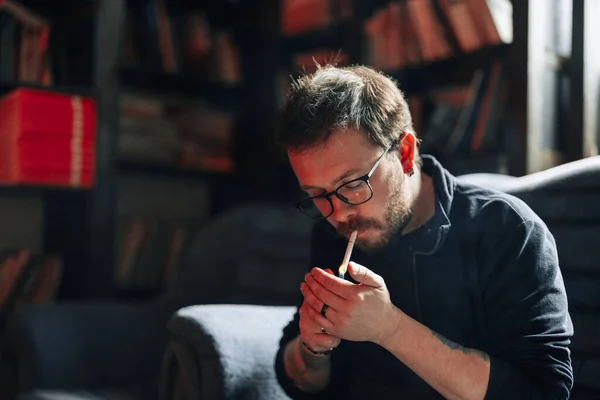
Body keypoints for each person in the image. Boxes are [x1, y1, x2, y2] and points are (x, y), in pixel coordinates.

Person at [273, 64, 573, 399]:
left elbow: (545, 392)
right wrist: (313, 348)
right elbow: (298, 379)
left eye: (353, 184)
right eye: (317, 194)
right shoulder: (333, 231)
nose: (339, 213)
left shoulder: (507, 231)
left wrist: (390, 328)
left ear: (405, 152)